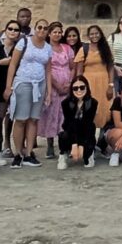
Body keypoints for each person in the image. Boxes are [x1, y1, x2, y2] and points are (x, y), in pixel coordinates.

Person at [5, 19, 53, 168]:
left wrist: (49, 92)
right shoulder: (24, 42)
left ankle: (29, 153)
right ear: (35, 28)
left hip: (39, 84)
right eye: (40, 27)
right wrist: (8, 86)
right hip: (23, 82)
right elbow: (13, 64)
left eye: (45, 28)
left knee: (33, 119)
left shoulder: (48, 47)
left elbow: (48, 70)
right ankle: (18, 153)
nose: (42, 30)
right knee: (20, 119)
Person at [37, 22, 74, 160]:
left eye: (59, 32)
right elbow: (46, 68)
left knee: (65, 115)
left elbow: (72, 66)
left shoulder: (67, 48)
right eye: (55, 32)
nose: (57, 34)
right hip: (52, 84)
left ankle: (65, 144)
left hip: (67, 84)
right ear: (49, 33)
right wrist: (56, 85)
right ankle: (50, 144)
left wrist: (70, 83)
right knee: (51, 114)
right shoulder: (45, 48)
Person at [0, 19, 22, 164]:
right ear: (5, 30)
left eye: (16, 30)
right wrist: (3, 61)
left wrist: (2, 61)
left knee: (0, 117)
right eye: (10, 29)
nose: (13, 32)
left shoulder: (19, 47)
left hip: (7, 87)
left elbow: (16, 62)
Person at [75, 25, 116, 131]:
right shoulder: (84, 49)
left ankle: (102, 139)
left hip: (104, 83)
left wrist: (111, 85)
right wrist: (79, 87)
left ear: (100, 34)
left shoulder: (106, 48)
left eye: (96, 33)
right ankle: (88, 139)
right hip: (88, 83)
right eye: (92, 34)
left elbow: (111, 68)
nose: (94, 36)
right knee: (88, 109)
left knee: (104, 109)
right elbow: (79, 71)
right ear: (88, 36)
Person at [58, 76, 98, 169]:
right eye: (75, 88)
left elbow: (88, 124)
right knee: (63, 135)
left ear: (87, 87)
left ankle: (89, 154)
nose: (79, 90)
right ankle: (63, 154)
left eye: (82, 87)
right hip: (71, 131)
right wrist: (74, 144)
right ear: (71, 89)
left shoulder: (93, 103)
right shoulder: (65, 103)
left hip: (86, 132)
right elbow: (69, 123)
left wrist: (82, 145)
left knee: (91, 128)